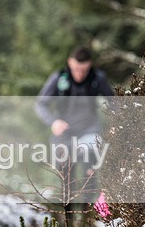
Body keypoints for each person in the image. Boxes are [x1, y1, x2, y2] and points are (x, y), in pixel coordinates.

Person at [34, 46, 114, 215]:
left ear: (90, 65)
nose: (80, 73)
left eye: (84, 69)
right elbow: (41, 104)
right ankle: (69, 220)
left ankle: (89, 218)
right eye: (77, 69)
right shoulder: (59, 78)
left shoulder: (97, 78)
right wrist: (53, 121)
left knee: (88, 174)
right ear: (70, 63)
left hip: (90, 131)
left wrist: (117, 124)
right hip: (65, 133)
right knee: (66, 176)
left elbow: (114, 102)